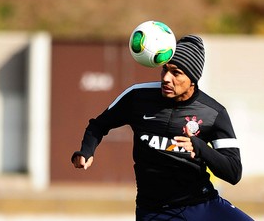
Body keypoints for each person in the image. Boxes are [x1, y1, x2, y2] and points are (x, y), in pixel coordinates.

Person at [71, 35, 253, 220]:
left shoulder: (214, 113)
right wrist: (86, 151)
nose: (166, 78)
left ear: (193, 77)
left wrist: (200, 148)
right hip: (155, 212)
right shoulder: (137, 97)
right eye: (164, 69)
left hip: (202, 205)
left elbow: (233, 172)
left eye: (176, 73)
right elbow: (99, 124)